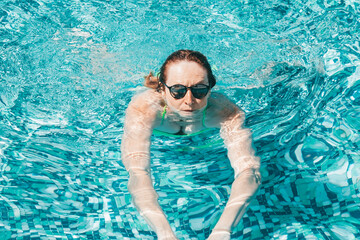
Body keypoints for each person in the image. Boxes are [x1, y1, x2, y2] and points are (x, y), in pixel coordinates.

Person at [121, 50, 261, 240]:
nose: (189, 101)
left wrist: (223, 231)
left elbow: (249, 171)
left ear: (210, 88)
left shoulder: (225, 112)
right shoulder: (144, 110)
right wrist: (164, 234)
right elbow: (138, 172)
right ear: (162, 88)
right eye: (177, 91)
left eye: (199, 90)